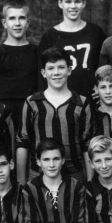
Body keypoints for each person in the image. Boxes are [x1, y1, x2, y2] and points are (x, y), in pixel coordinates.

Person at [17, 47, 92, 183]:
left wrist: (91, 183)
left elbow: (87, 145)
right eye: (51, 68)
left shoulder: (82, 103)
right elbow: (23, 143)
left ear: (69, 70)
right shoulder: (32, 102)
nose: (56, 73)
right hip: (38, 176)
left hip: (74, 176)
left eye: (61, 67)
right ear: (43, 73)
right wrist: (21, 184)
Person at [21, 139, 92, 223]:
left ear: (63, 160)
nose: (52, 164)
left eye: (56, 159)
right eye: (46, 159)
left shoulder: (75, 186)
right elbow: (30, 222)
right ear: (38, 162)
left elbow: (78, 220)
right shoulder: (30, 188)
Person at [38, 0, 107, 99]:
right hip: (60, 100)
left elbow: (106, 67)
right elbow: (42, 75)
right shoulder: (50, 36)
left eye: (77, 1)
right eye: (68, 2)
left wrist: (103, 88)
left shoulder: (95, 32)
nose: (73, 6)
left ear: (84, 3)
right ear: (60, 3)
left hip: (91, 100)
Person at [0, 0, 39, 128]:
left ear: (28, 22)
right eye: (12, 18)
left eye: (21, 18)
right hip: (3, 114)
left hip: (31, 112)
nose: (17, 23)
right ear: (4, 23)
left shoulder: (37, 52)